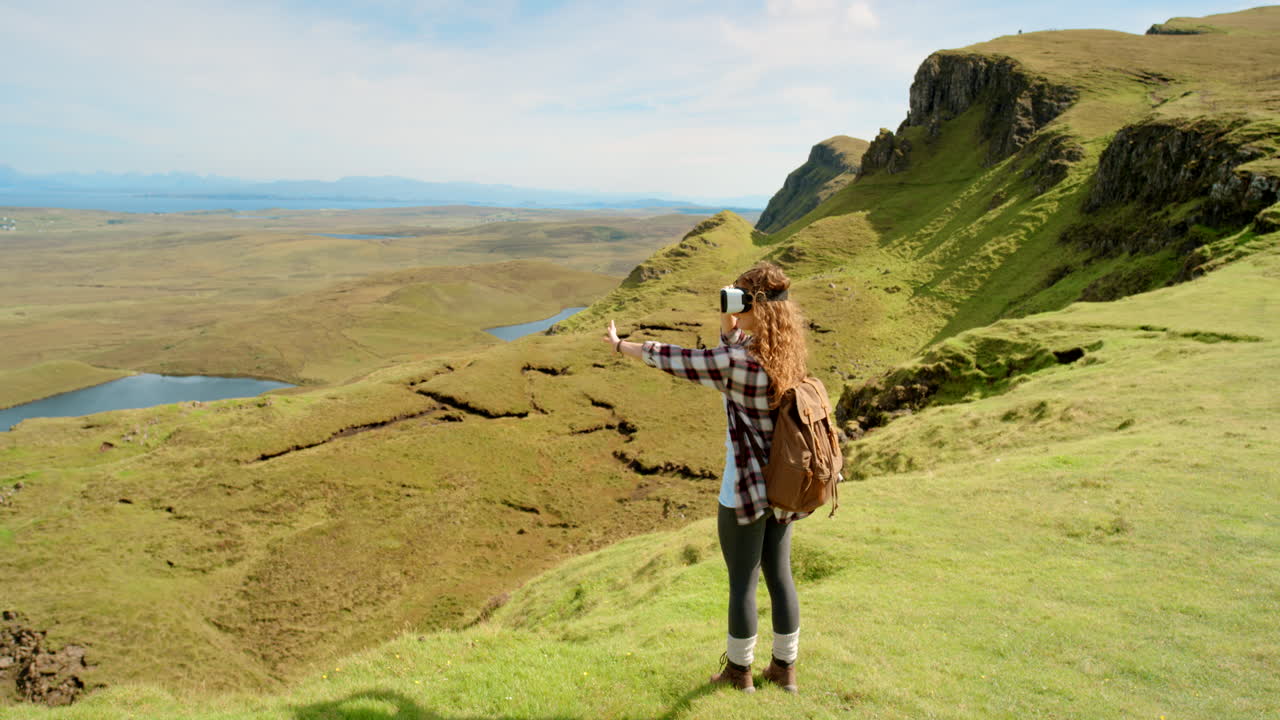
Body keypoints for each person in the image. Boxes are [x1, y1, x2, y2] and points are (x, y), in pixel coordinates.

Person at [603, 261, 809, 694]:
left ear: (752, 304)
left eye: (739, 297)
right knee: (780, 575)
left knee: (742, 583)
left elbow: (682, 361)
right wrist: (728, 323)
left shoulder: (735, 363)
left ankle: (740, 674)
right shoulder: (785, 354)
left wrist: (622, 345)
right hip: (784, 486)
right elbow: (732, 356)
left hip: (745, 489)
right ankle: (785, 670)